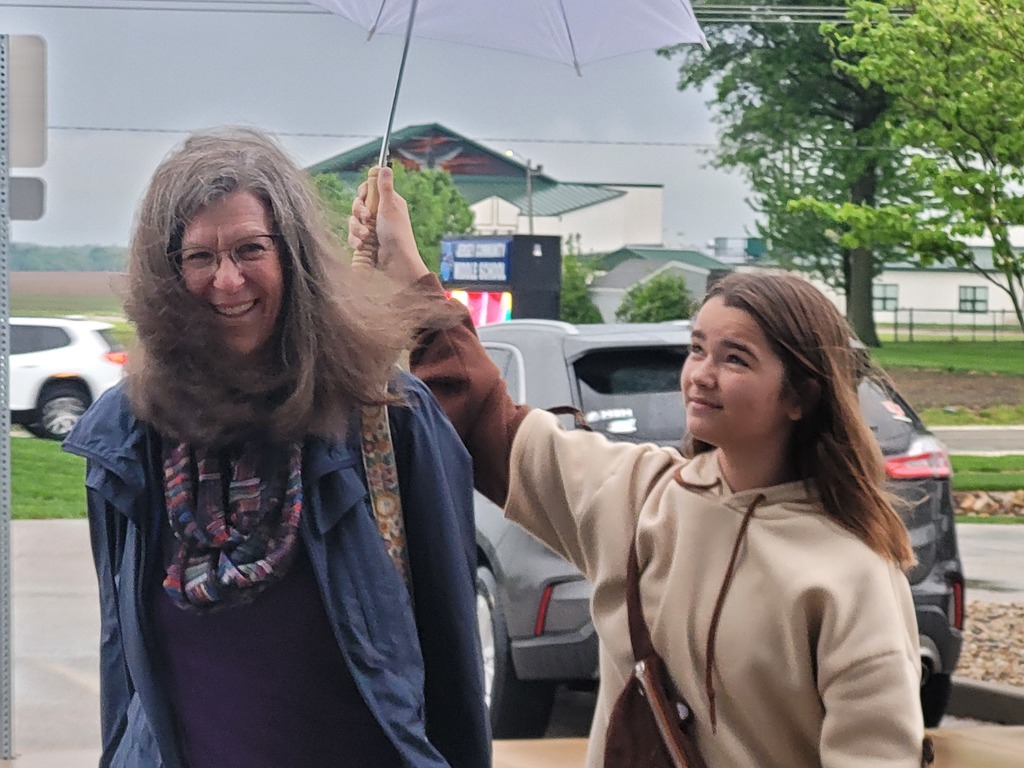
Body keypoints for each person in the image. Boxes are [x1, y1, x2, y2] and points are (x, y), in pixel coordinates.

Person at [350, 168, 930, 768]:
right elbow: (482, 416)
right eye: (697, 348)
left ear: (800, 396)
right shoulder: (642, 496)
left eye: (735, 358)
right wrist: (406, 271)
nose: (701, 373)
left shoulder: (852, 572)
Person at [62, 129, 490, 768]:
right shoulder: (128, 436)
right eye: (199, 257)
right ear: (166, 273)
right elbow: (124, 674)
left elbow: (453, 670)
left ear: (294, 257)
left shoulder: (387, 420)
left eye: (249, 249)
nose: (228, 281)